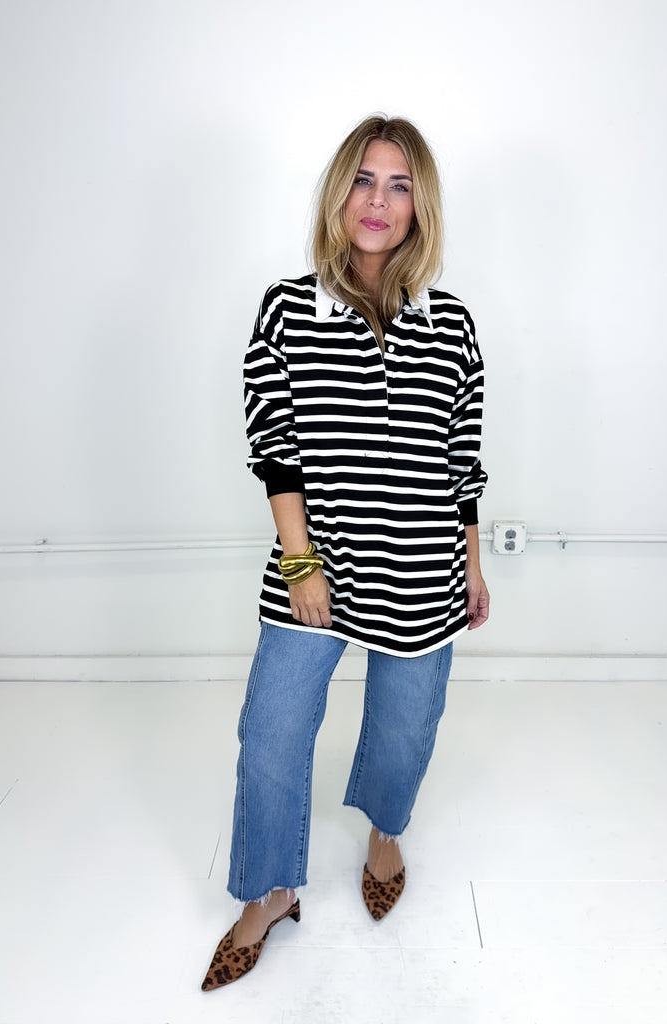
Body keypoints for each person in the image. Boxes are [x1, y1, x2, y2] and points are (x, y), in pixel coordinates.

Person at [202, 114, 489, 990]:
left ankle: (384, 834)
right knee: (272, 734)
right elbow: (276, 447)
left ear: (419, 207)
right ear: (339, 193)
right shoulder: (288, 309)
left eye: (400, 186)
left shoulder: (451, 323)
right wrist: (301, 565)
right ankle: (270, 892)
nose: (378, 201)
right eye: (364, 179)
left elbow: (461, 457)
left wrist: (472, 562)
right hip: (315, 564)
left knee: (406, 728)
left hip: (423, 566)